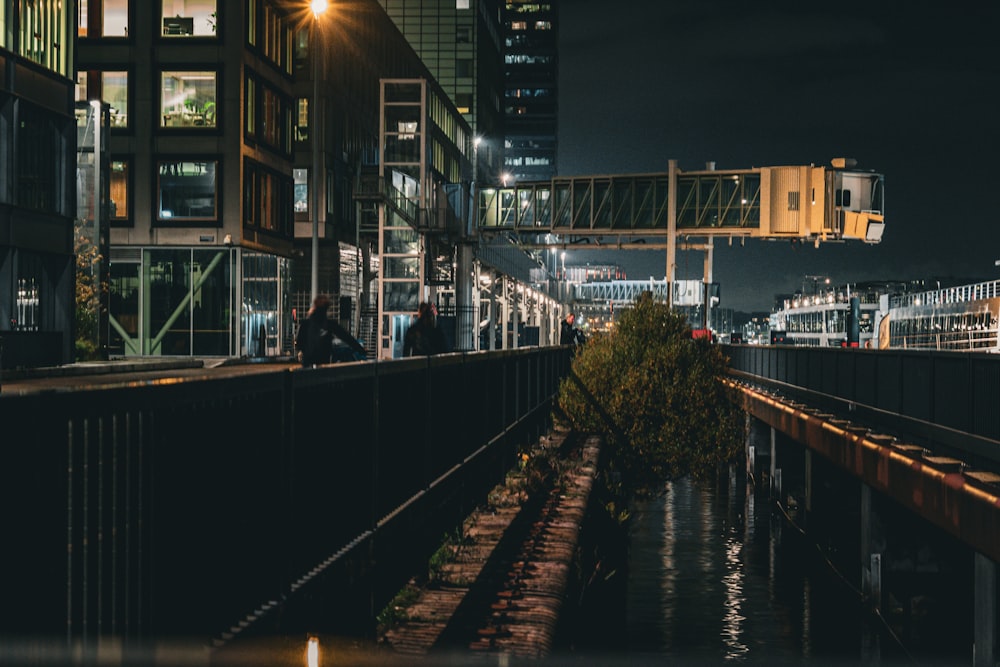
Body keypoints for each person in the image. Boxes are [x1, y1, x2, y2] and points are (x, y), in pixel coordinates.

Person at [295, 295, 334, 367]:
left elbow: (299, 342)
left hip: (308, 361)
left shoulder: (306, 323)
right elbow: (347, 337)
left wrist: (302, 350)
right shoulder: (328, 324)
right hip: (323, 362)